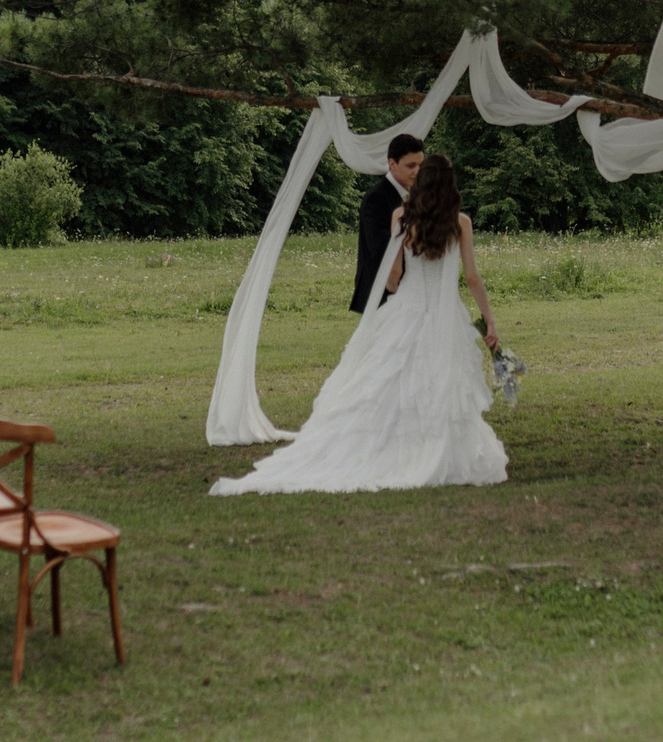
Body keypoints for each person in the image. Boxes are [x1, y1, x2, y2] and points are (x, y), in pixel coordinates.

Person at [215, 153, 507, 495]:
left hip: (406, 310)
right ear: (450, 184)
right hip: (445, 317)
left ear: (423, 180)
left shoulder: (401, 216)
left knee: (389, 381)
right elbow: (471, 277)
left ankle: (392, 447)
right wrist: (489, 321)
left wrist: (395, 283)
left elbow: (394, 276)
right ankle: (433, 449)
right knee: (439, 384)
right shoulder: (461, 223)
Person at [351, 133, 425, 314]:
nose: (417, 171)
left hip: (409, 289)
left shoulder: (416, 194)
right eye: (411, 166)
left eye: (420, 165)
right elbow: (380, 249)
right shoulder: (376, 198)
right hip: (381, 292)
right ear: (392, 164)